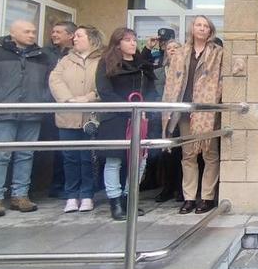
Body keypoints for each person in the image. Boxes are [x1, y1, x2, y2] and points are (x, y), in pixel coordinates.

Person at [0, 20, 53, 218]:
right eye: (27, 31)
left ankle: (20, 195)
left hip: (32, 112)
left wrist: (42, 99)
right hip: (3, 112)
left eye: (33, 32)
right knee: (0, 155)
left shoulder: (42, 57)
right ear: (12, 33)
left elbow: (51, 82)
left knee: (26, 154)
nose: (32, 35)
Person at [162, 15, 224, 215]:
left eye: (206, 26)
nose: (202, 28)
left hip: (206, 111)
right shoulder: (181, 53)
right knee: (188, 155)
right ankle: (189, 197)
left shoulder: (217, 53)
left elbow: (222, 79)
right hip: (184, 110)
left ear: (210, 31)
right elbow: (171, 82)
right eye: (198, 25)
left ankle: (207, 197)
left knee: (209, 153)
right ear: (192, 28)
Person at [95, 27, 158, 221]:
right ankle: (115, 202)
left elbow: (152, 91)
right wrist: (127, 108)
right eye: (128, 40)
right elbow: (105, 92)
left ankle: (129, 198)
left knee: (140, 160)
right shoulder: (107, 63)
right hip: (115, 118)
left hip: (140, 118)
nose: (132, 43)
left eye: (134, 40)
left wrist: (147, 108)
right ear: (117, 43)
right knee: (114, 160)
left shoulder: (142, 64)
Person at [49, 25, 103, 213]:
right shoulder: (65, 60)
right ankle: (71, 195)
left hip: (91, 117)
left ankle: (87, 194)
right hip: (68, 116)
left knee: (88, 157)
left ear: (92, 39)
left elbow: (104, 84)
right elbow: (55, 80)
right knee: (69, 157)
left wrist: (89, 97)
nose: (75, 39)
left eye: (79, 35)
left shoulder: (101, 60)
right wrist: (68, 99)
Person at [45, 21, 76, 199]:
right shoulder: (44, 53)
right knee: (56, 148)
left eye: (58, 32)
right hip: (49, 106)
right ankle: (57, 185)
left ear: (70, 35)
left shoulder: (77, 55)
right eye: (53, 31)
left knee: (69, 150)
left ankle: (67, 186)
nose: (54, 35)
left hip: (73, 108)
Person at [153, 40, 183, 203]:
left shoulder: (185, 70)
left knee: (181, 153)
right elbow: (157, 93)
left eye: (176, 48)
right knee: (165, 154)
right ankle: (167, 188)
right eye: (169, 48)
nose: (172, 50)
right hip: (163, 115)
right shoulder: (158, 72)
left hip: (180, 115)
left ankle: (180, 188)